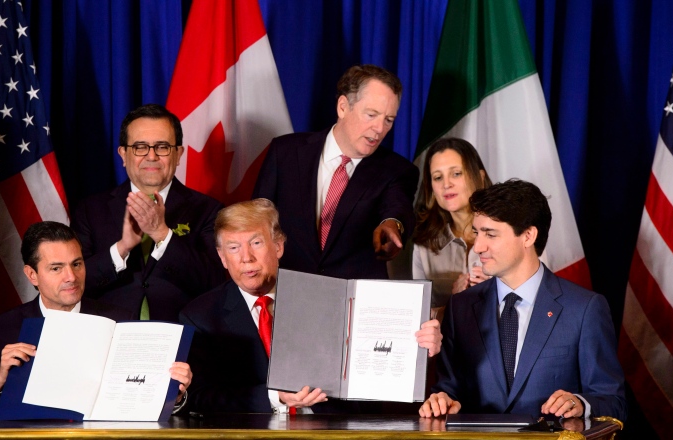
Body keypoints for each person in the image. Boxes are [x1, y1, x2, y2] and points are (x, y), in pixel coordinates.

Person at [179, 199, 442, 413]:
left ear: (279, 246)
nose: (246, 258)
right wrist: (276, 397)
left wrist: (418, 348)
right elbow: (201, 397)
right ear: (223, 258)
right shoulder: (200, 316)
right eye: (234, 248)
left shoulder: (332, 295)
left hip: (338, 435)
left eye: (256, 243)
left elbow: (375, 362)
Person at [419, 180, 626, 421]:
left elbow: (613, 401)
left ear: (528, 236)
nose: (478, 247)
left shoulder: (584, 309)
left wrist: (580, 403)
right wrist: (441, 400)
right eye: (477, 232)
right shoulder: (461, 306)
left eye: (490, 234)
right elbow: (448, 389)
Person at [0, 221, 192, 420]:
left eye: (77, 264)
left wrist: (175, 396)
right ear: (32, 275)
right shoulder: (5, 329)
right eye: (56, 268)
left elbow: (141, 396)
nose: (71, 277)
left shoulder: (119, 320)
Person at [253, 64, 418, 280]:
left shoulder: (397, 170)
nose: (379, 128)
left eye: (388, 120)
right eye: (371, 114)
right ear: (342, 107)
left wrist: (392, 225)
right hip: (287, 290)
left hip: (352, 299)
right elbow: (256, 220)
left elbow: (397, 208)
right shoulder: (285, 153)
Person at [72, 104, 226, 321]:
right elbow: (73, 283)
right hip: (110, 335)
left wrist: (162, 235)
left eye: (162, 147)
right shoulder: (90, 210)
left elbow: (217, 282)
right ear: (123, 154)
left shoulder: (210, 210)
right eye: (140, 147)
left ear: (178, 154)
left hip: (182, 337)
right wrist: (121, 249)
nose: (151, 156)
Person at [412, 137, 493, 320]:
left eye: (456, 173)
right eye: (438, 177)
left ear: (479, 177)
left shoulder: (512, 231)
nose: (446, 184)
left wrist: (499, 290)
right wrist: (454, 303)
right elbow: (417, 318)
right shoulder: (424, 245)